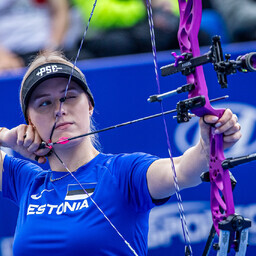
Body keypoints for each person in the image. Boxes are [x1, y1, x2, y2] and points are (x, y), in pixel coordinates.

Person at [0, 51, 241, 255]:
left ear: (90, 105)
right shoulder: (27, 182)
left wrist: (205, 149)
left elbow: (181, 170)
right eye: (44, 103)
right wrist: (6, 137)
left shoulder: (123, 173)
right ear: (29, 121)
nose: (59, 110)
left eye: (69, 97)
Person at [0, 0, 84, 72]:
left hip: (45, 49)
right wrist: (2, 56)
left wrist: (52, 50)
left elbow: (61, 11)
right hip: (8, 53)